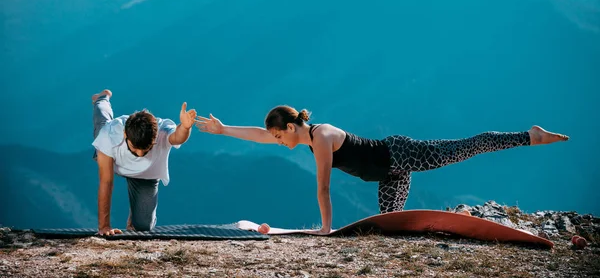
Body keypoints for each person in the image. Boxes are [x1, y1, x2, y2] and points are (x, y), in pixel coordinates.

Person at [195, 105, 569, 235]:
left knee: (465, 148)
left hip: (400, 155)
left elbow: (322, 189)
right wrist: (223, 128)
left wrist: (326, 229)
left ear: (291, 128)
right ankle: (457, 218)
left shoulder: (321, 137)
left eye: (280, 136)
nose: (276, 141)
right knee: (392, 225)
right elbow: (261, 134)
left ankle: (529, 136)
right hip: (389, 173)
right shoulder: (306, 138)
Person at [92, 89, 196, 236]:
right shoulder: (109, 135)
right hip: (113, 157)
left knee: (142, 227)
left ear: (155, 138)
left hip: (145, 174)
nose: (140, 154)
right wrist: (104, 226)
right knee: (103, 120)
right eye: (135, 148)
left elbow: (177, 137)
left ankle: (134, 219)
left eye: (146, 149)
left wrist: (185, 127)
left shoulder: (162, 130)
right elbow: (106, 182)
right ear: (125, 134)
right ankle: (102, 98)